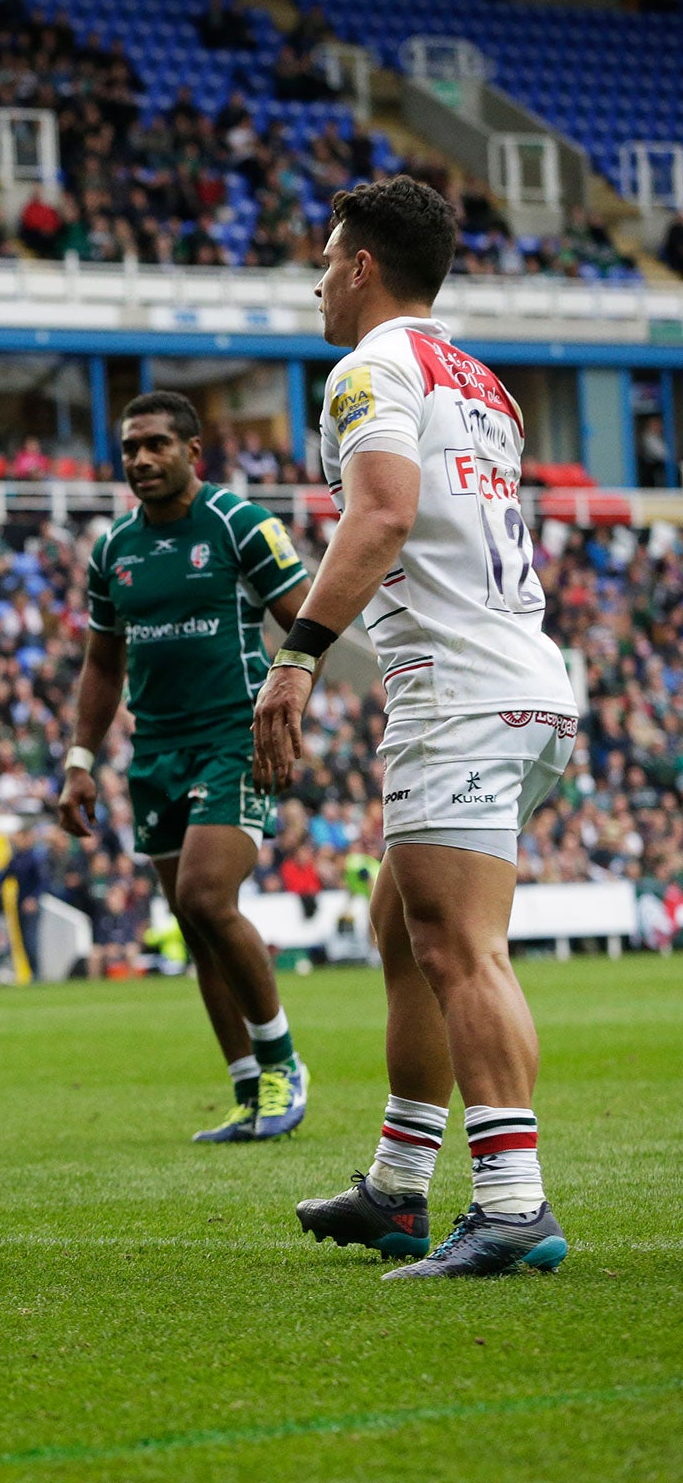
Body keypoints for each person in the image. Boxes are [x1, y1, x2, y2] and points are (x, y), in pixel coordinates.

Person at [257, 175, 577, 1279]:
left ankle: (510, 1206)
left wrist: (295, 657)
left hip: (458, 686)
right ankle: (398, 1185)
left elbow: (384, 511)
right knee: (401, 926)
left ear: (357, 266)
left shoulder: (369, 366)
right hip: (527, 674)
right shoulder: (479, 378)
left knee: (457, 947)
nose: (312, 284)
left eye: (323, 261)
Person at [59, 389, 314, 1144]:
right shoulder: (113, 550)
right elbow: (102, 666)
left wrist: (287, 713)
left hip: (234, 734)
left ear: (191, 452)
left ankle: (283, 1064)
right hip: (155, 751)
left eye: (156, 445)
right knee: (192, 925)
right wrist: (80, 760)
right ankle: (248, 1089)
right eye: (131, 447)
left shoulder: (240, 525)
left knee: (207, 897)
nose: (140, 459)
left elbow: (307, 623)